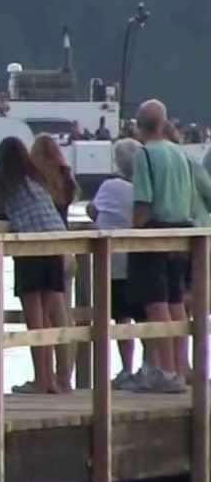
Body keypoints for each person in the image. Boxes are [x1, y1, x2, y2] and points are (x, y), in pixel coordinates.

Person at [0, 137, 69, 394]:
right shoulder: (37, 179)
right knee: (48, 317)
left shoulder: (6, 183)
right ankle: (52, 380)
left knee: (35, 319)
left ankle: (41, 380)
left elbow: (0, 210)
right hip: (57, 243)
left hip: (32, 248)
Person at [128, 100, 192, 393]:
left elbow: (143, 201)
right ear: (164, 124)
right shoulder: (180, 153)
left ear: (140, 126)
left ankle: (164, 372)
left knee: (156, 305)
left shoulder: (145, 155)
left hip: (154, 233)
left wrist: (133, 233)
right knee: (177, 304)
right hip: (182, 233)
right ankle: (179, 368)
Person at [89, 139, 141, 390]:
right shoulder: (142, 188)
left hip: (113, 260)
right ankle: (152, 365)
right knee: (145, 316)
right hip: (140, 260)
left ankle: (126, 368)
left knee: (121, 318)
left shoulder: (109, 185)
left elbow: (92, 210)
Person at [29, 133, 79, 390]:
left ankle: (52, 377)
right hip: (67, 250)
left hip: (47, 251)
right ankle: (64, 375)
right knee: (64, 316)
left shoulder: (37, 180)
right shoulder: (66, 177)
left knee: (49, 316)